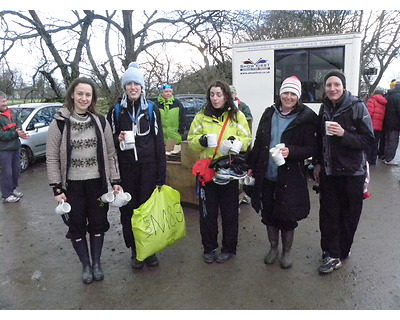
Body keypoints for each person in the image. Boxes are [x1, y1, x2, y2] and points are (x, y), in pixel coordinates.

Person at [46, 77, 122, 284]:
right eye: (80, 93)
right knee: (76, 225)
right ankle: (86, 265)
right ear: (72, 94)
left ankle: (96, 263)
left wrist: (115, 180)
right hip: (72, 186)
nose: (83, 98)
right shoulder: (59, 123)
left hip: (97, 185)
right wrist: (56, 188)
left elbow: (110, 152)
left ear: (92, 98)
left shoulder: (100, 121)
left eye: (88, 94)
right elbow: (52, 157)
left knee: (98, 223)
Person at [247, 76, 318, 269]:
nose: (288, 97)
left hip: (291, 176)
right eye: (285, 92)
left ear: (298, 96)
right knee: (268, 213)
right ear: (280, 94)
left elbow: (313, 148)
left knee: (287, 216)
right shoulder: (269, 113)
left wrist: (292, 151)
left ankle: (286, 252)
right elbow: (260, 142)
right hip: (267, 173)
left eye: (293, 93)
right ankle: (273, 248)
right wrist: (251, 166)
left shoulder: (307, 117)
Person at [313, 70, 374, 274]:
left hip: (352, 174)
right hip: (330, 173)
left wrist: (344, 134)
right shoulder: (324, 108)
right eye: (329, 85)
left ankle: (341, 251)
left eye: (336, 85)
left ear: (344, 86)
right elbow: (321, 140)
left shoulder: (357, 107)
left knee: (349, 217)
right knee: (328, 215)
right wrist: (318, 163)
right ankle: (331, 252)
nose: (332, 89)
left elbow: (368, 141)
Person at [107, 62, 166, 270]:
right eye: (129, 84)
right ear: (124, 87)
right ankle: (135, 251)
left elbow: (159, 143)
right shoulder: (116, 111)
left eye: (137, 84)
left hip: (148, 169)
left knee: (148, 210)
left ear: (142, 87)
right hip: (126, 171)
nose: (133, 87)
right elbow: (109, 143)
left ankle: (150, 249)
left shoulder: (151, 109)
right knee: (129, 211)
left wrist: (161, 176)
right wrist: (117, 138)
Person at [188, 80, 252, 264]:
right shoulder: (201, 116)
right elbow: (191, 139)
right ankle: (209, 248)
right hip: (207, 173)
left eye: (219, 94)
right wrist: (201, 141)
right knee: (207, 214)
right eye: (212, 95)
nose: (215, 98)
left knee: (230, 213)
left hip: (228, 172)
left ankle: (229, 248)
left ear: (226, 96)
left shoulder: (236, 116)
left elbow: (247, 139)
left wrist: (236, 143)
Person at [0, 91, 29, 203]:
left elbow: (18, 123)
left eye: (5, 100)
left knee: (16, 170)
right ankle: (6, 195)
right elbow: (1, 134)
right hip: (4, 149)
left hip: (15, 146)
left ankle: (13, 189)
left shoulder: (11, 112)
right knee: (7, 172)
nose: (5, 103)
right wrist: (16, 134)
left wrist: (19, 130)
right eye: (2, 101)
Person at [366, 90, 387, 165]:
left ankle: (367, 160)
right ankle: (373, 160)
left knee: (368, 142)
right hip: (379, 127)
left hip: (371, 126)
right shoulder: (384, 103)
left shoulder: (372, 100)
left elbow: (369, 113)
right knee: (375, 144)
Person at [382, 81, 400, 165]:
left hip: (387, 122)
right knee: (393, 141)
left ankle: (385, 157)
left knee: (388, 140)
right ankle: (389, 159)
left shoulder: (389, 95)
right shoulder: (398, 97)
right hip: (395, 123)